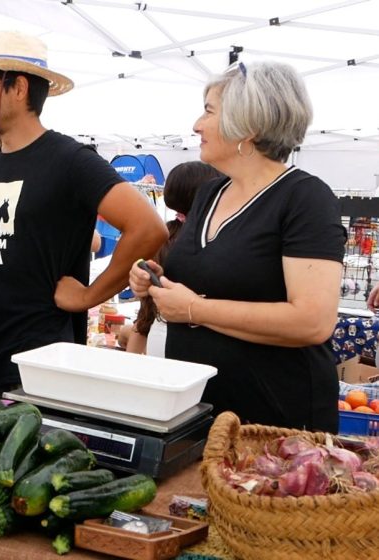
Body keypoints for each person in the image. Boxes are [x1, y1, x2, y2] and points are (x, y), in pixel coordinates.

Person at [129, 61, 346, 432]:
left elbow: (313, 321)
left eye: (209, 112)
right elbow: (209, 275)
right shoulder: (210, 193)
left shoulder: (305, 199)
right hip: (199, 412)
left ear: (250, 125)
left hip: (273, 424)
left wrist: (195, 309)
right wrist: (154, 279)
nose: (197, 125)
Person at [0, 31, 168, 396]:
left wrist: (88, 296)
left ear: (17, 88)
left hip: (41, 372)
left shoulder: (70, 161)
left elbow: (148, 228)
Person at [126, 161, 222, 356]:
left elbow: (145, 316)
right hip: (191, 348)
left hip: (158, 339)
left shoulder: (164, 236)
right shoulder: (205, 244)